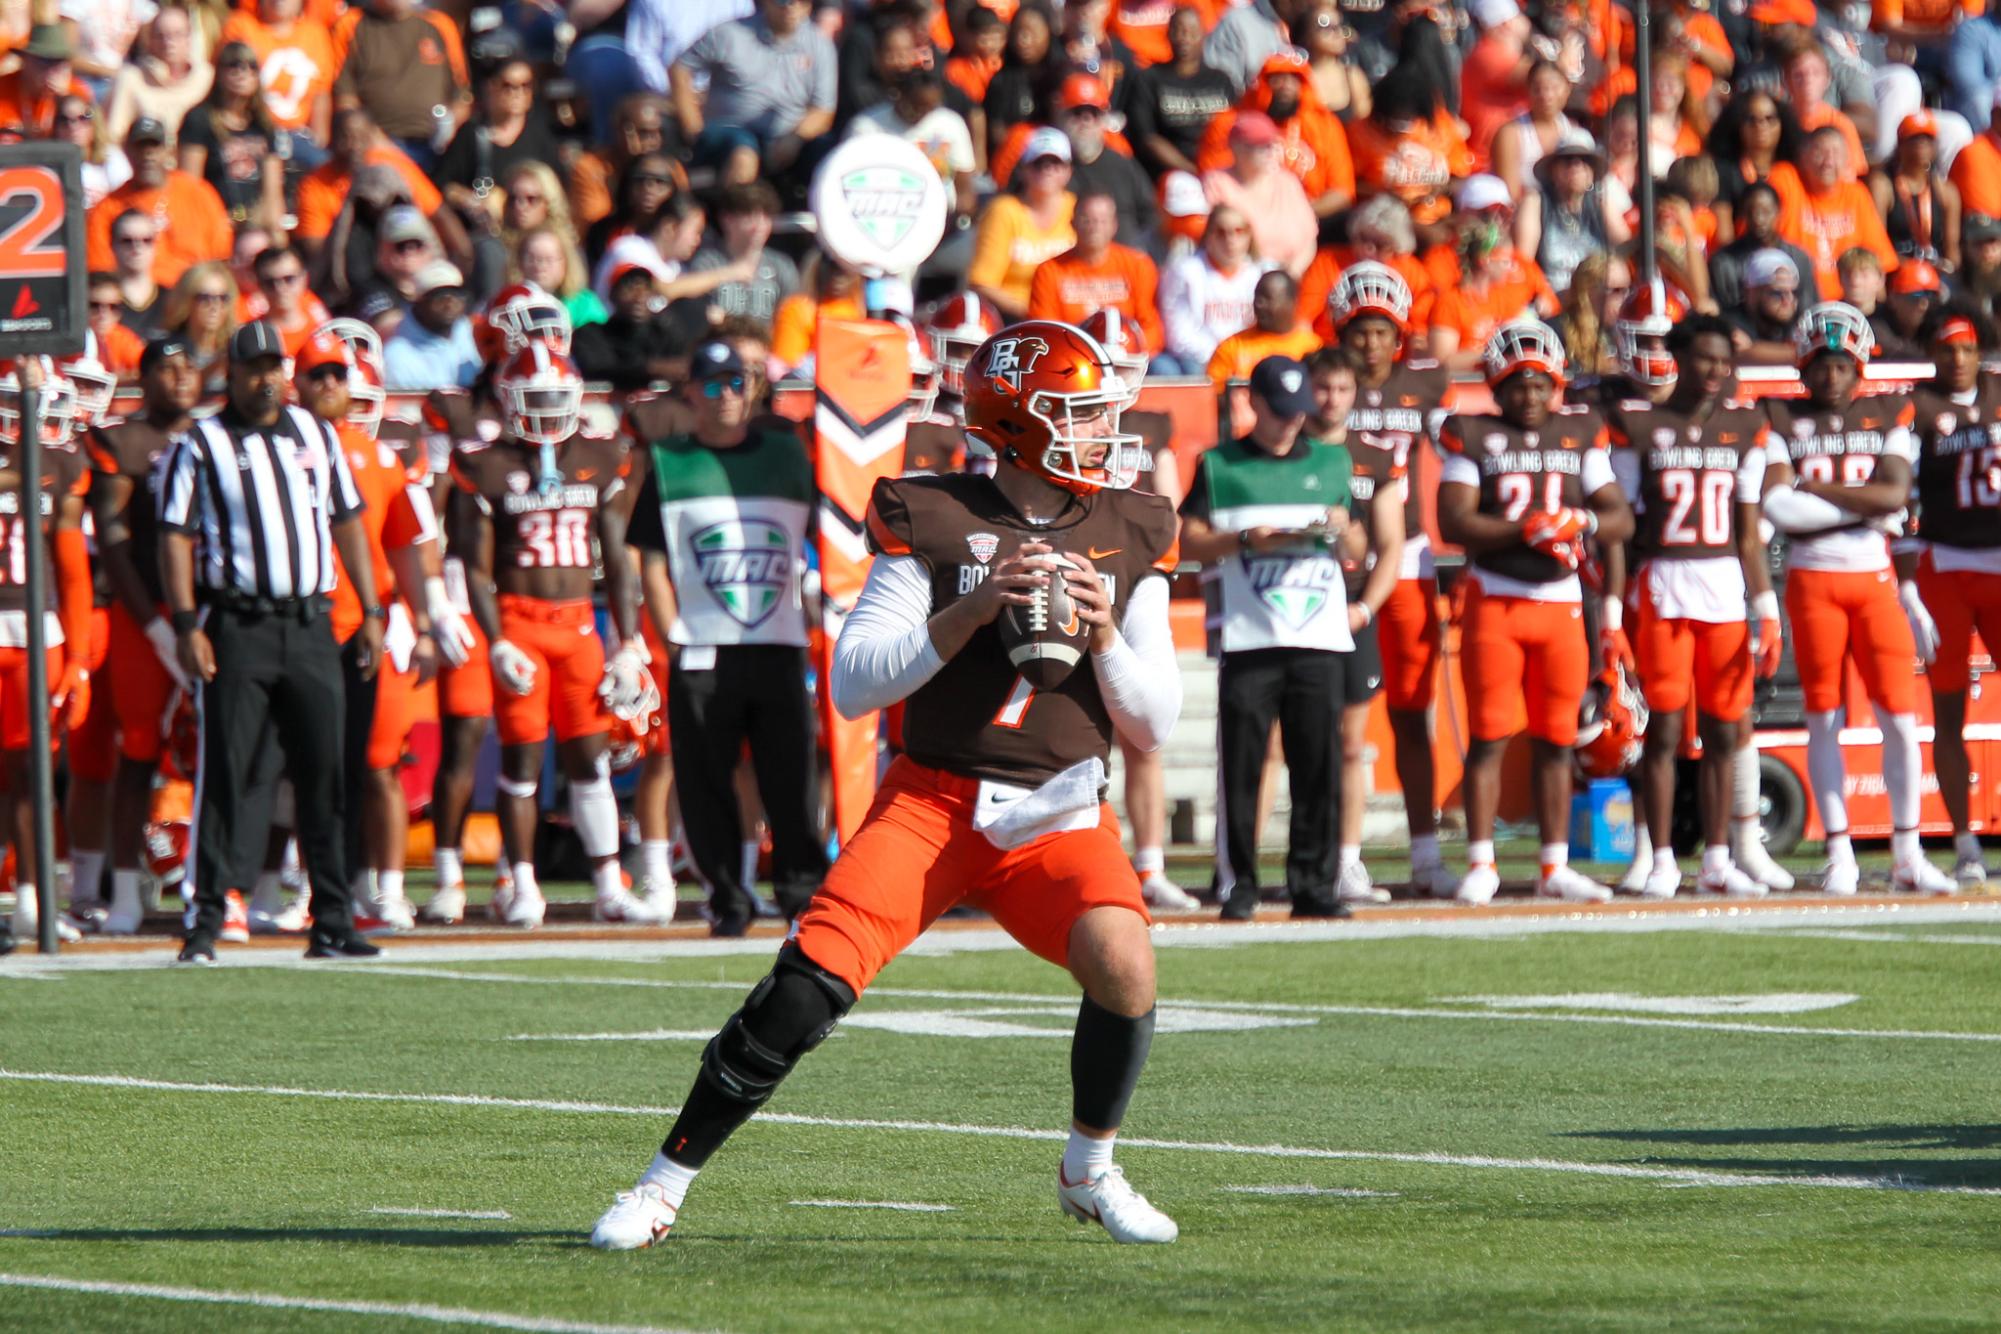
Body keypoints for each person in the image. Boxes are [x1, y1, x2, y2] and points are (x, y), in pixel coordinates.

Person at [588, 318, 1184, 1251]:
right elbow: (858, 679)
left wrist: (1105, 636)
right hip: (933, 804)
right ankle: (661, 1185)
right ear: (1016, 423)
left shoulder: (1133, 525)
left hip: (1059, 810)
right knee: (804, 990)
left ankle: (1090, 1169)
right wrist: (971, 610)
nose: (1102, 431)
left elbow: (1154, 725)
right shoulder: (934, 511)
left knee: (1126, 962)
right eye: (1079, 412)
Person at [156, 320, 387, 964]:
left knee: (327, 772)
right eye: (252, 368)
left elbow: (347, 520)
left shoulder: (315, 433)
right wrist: (183, 623)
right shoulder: (202, 441)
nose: (265, 380)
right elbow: (174, 533)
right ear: (230, 374)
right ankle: (204, 921)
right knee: (227, 774)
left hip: (311, 624)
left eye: (273, 367)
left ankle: (333, 919)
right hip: (238, 624)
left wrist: (369, 608)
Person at [620, 338, 828, 932]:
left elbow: (833, 532)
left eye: (737, 382)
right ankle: (727, 897)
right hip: (704, 646)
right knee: (704, 779)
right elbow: (651, 561)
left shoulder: (789, 454)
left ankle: (800, 895)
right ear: (691, 393)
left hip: (781, 641)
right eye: (712, 384)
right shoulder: (670, 460)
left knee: (791, 777)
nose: (727, 395)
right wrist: (672, 637)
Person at [447, 342, 654, 928]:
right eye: (532, 398)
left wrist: (629, 641)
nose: (543, 410)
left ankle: (611, 885)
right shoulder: (485, 462)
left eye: (552, 398)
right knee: (521, 761)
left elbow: (617, 559)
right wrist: (497, 641)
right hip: (519, 621)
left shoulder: (599, 453)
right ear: (510, 401)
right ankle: (525, 885)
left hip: (579, 623)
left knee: (591, 761)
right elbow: (477, 568)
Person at [1435, 320, 1635, 905]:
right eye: (1518, 385)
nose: (1529, 396)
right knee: (1491, 734)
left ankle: (1553, 867)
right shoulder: (1472, 434)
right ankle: (1481, 862)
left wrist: (1584, 522)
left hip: (1563, 608)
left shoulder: (1581, 434)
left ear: (1558, 387)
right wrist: (1525, 529)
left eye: (1540, 384)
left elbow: (1618, 515)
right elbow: (1455, 521)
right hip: (1496, 600)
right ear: (1497, 387)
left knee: (1556, 738)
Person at [1760, 301, 1956, 895]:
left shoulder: (1888, 412)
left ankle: (1906, 850)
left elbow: (1894, 494)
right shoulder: (1778, 418)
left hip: (1876, 584)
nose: (1831, 375)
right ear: (1802, 366)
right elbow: (1774, 506)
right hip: (1814, 582)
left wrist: (1815, 486)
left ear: (1861, 364)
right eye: (1821, 364)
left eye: (1843, 364)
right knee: (1824, 720)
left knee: (1900, 720)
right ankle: (1840, 852)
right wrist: (1860, 502)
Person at [1601, 313, 1778, 900]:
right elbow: (1621, 526)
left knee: (1726, 730)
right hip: (1662, 582)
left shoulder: (1747, 425)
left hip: (1724, 583)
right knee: (1665, 728)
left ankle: (1720, 857)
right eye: (1705, 358)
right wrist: (1612, 607)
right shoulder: (1640, 424)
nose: (1716, 370)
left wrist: (1767, 607)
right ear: (1679, 356)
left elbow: (1750, 533)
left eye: (1724, 360)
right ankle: (1660, 858)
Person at [1179, 354, 1361, 919]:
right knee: (1242, 765)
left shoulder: (1333, 461)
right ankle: (1238, 884)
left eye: (1297, 413)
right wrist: (1243, 541)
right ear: (1251, 404)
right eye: (1280, 412)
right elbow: (1189, 542)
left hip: (1319, 635)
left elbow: (1358, 548)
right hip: (1249, 635)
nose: (1290, 423)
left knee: (1318, 764)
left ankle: (1315, 885)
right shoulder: (1220, 463)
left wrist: (1339, 529)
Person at [295, 327, 443, 929]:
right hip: (299, 622)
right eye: (319, 375)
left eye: (339, 376)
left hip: (366, 625)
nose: (333, 387)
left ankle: (378, 884)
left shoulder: (383, 456)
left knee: (377, 760)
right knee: (299, 763)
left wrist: (427, 620)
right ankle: (299, 883)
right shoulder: (278, 446)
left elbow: (409, 544)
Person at [1328, 261, 1454, 894]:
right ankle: (1341, 852)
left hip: (1407, 557)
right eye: (1360, 330)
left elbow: (1458, 449)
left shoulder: (1425, 384)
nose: (1371, 343)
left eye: (1382, 331)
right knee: (1343, 718)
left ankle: (1425, 850)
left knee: (1412, 711)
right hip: (1339, 565)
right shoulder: (1324, 383)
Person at [1302, 345, 1403, 903]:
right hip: (1290, 610)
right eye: (1323, 388)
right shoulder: (1287, 451)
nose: (1332, 399)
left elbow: (1389, 547)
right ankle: (1239, 864)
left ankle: (1346, 861)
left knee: (1349, 742)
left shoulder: (1374, 457)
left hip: (1349, 610)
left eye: (1342, 389)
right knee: (1275, 745)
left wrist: (1365, 609)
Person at [1906, 305, 2001, 890]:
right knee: (1948, 711)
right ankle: (1964, 841)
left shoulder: (1996, 390)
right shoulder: (1916, 408)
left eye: (1965, 348)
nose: (1957, 359)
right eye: (1945, 349)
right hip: (1944, 563)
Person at [0, 364, 94, 944]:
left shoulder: (61, 465)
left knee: (34, 770)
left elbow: (73, 569)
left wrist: (80, 658)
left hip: (38, 630)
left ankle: (34, 899)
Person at [672, 0, 838, 189]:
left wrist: (795, 138)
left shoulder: (821, 46)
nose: (791, 6)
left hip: (786, 136)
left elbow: (823, 110)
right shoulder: (729, 33)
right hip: (729, 130)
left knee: (829, 154)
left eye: (801, 1)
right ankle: (736, 215)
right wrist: (691, 125)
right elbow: (680, 69)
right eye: (782, 1)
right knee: (744, 153)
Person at [85, 117, 236, 287]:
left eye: (154, 147)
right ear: (126, 151)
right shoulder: (107, 209)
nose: (147, 154)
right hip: (139, 302)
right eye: (139, 147)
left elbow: (221, 258)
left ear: (168, 151)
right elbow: (102, 274)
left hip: (193, 297)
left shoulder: (198, 193)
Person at [331, 0, 471, 168]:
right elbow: (345, 98)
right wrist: (374, 138)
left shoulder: (440, 25)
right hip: (376, 145)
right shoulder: (352, 23)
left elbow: (462, 96)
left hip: (435, 144)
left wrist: (450, 127)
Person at [1027, 190, 1163, 351]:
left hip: (1129, 356)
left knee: (1168, 368)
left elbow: (1151, 327)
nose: (1095, 227)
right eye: (1087, 220)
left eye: (1102, 221)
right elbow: (1045, 332)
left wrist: (1129, 350)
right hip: (1072, 357)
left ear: (1114, 225)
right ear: (1072, 223)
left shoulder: (1139, 266)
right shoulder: (1049, 271)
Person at [1776, 124, 1899, 297]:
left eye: (1835, 153)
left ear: (1847, 160)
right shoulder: (1786, 181)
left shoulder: (1857, 195)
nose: (1828, 162)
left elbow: (1878, 263)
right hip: (1797, 299)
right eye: (1820, 152)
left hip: (1848, 304)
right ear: (1804, 157)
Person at [969, 127, 1078, 320]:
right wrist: (1036, 313)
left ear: (1068, 171)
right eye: (1038, 163)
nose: (1047, 169)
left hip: (1069, 316)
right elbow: (982, 283)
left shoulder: (1078, 210)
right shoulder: (1004, 210)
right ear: (1023, 169)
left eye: (1055, 163)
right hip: (1014, 320)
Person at [176, 41, 285, 231]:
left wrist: (274, 235)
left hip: (257, 224)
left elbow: (273, 194)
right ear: (219, 73)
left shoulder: (263, 125)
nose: (242, 72)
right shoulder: (200, 120)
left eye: (251, 66)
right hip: (213, 222)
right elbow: (189, 187)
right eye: (233, 65)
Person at [1200, 112, 1318, 278]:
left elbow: (1309, 239)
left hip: (1288, 282)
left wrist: (1289, 276)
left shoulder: (1288, 182)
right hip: (1237, 281)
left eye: (1272, 144)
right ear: (1237, 147)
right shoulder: (1217, 183)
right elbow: (1214, 240)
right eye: (1261, 146)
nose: (1270, 151)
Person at [1159, 206, 1272, 376]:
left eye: (1238, 231)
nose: (1230, 239)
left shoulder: (1261, 274)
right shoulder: (1186, 272)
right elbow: (1179, 336)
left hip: (1247, 356)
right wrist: (1224, 355)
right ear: (1209, 236)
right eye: (1221, 232)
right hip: (1201, 360)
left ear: (1249, 236)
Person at [1125, 5, 1234, 178]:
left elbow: (1234, 129)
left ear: (1204, 35)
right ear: (1168, 34)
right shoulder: (1149, 79)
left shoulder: (1221, 80)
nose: (1185, 38)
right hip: (1171, 173)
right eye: (1179, 31)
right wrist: (1192, 171)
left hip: (1218, 169)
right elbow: (1148, 138)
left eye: (1192, 32)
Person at [685, 181, 799, 324]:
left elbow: (791, 318)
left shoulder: (782, 266)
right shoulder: (707, 262)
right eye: (749, 215)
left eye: (766, 215)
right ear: (727, 219)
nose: (759, 224)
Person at [103, 4, 212, 144]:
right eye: (160, 36)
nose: (168, 42)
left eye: (177, 35)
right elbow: (114, 135)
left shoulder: (207, 78)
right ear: (150, 41)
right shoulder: (131, 78)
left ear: (189, 38)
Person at [1709, 180, 1821, 313]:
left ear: (1779, 212)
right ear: (1743, 214)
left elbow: (1810, 308)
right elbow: (1722, 310)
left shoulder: (1799, 259)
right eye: (1752, 212)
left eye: (1766, 212)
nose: (1759, 219)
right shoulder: (1724, 262)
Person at [573, 263, 686, 390]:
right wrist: (650, 368)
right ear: (612, 294)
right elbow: (598, 369)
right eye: (630, 287)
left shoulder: (664, 332)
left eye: (646, 288)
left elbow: (682, 368)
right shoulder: (592, 334)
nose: (639, 296)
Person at [1872, 110, 1961, 270]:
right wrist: (1912, 267)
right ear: (1900, 144)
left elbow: (1952, 249)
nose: (1921, 143)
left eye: (1927, 139)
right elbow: (1877, 243)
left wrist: (1949, 268)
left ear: (1935, 147)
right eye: (1913, 138)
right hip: (1896, 270)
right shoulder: (1883, 185)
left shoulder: (1946, 191)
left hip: (1935, 271)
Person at [1205, 270, 1320, 387]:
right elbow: (1212, 396)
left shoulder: (1313, 348)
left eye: (1267, 298)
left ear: (1292, 303)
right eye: (1257, 297)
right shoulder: (1231, 348)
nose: (1258, 304)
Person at [384, 261, 480, 390]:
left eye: (456, 293)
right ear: (419, 303)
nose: (449, 302)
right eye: (439, 294)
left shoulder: (471, 332)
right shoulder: (398, 357)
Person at [516, 226, 609, 330]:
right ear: (519, 262)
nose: (540, 266)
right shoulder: (510, 303)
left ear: (565, 262)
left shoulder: (584, 305)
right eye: (531, 258)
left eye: (549, 259)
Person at [1727, 248, 1809, 364]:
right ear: (1751, 293)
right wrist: (1804, 354)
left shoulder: (1802, 322)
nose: (1788, 300)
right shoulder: (1730, 322)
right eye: (1777, 293)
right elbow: (1738, 353)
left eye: (1794, 292)